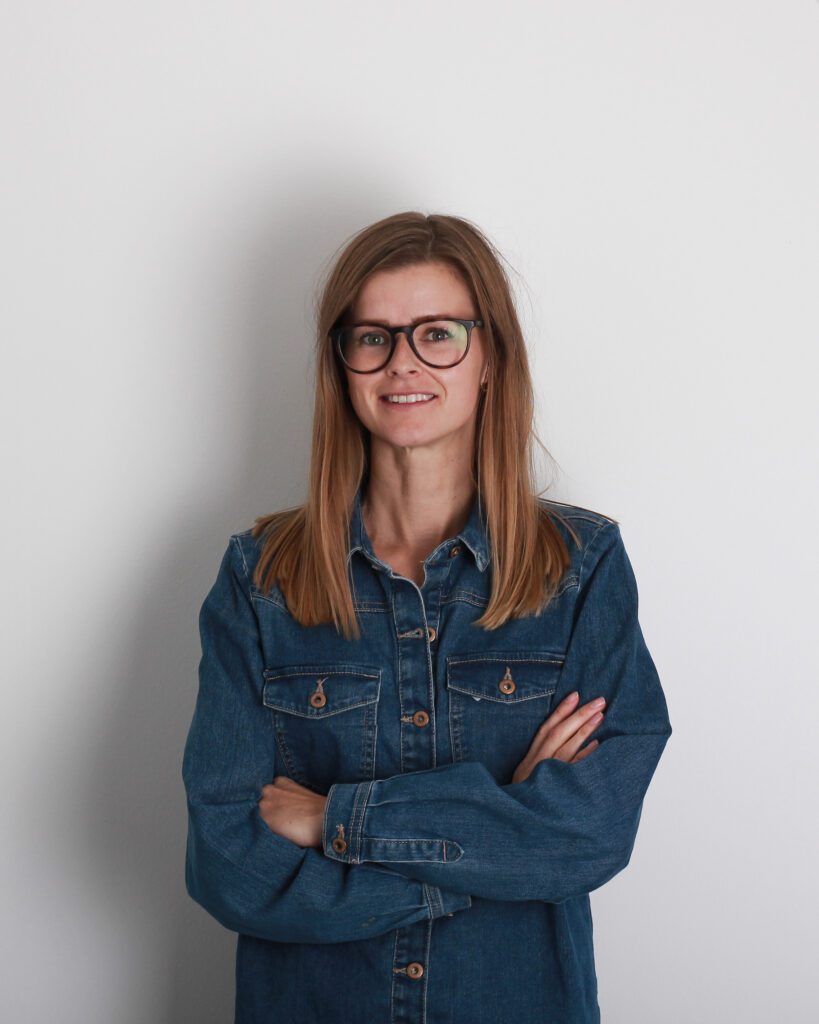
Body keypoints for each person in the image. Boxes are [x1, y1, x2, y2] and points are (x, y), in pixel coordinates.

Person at [181, 211, 673, 1023]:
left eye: (437, 333)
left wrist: (335, 820)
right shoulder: (261, 577)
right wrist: (494, 836)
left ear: (490, 358)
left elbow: (589, 832)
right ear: (341, 363)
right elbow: (229, 863)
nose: (401, 362)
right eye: (372, 337)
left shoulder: (579, 568)